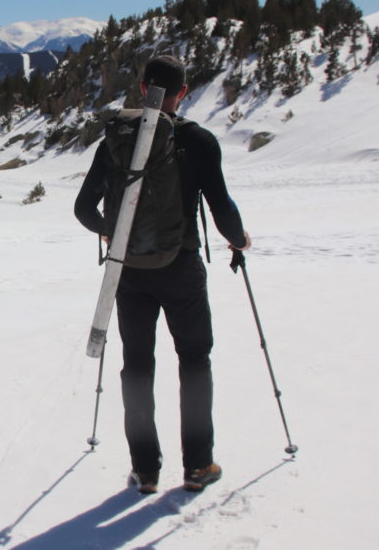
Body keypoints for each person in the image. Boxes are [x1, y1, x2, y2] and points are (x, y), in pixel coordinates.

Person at [73, 54, 250, 494]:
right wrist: (239, 240)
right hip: (182, 269)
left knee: (137, 365)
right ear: (182, 93)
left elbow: (82, 208)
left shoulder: (114, 142)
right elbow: (221, 207)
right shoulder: (199, 141)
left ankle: (146, 470)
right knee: (194, 360)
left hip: (129, 272)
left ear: (141, 88)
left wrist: (112, 232)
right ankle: (199, 466)